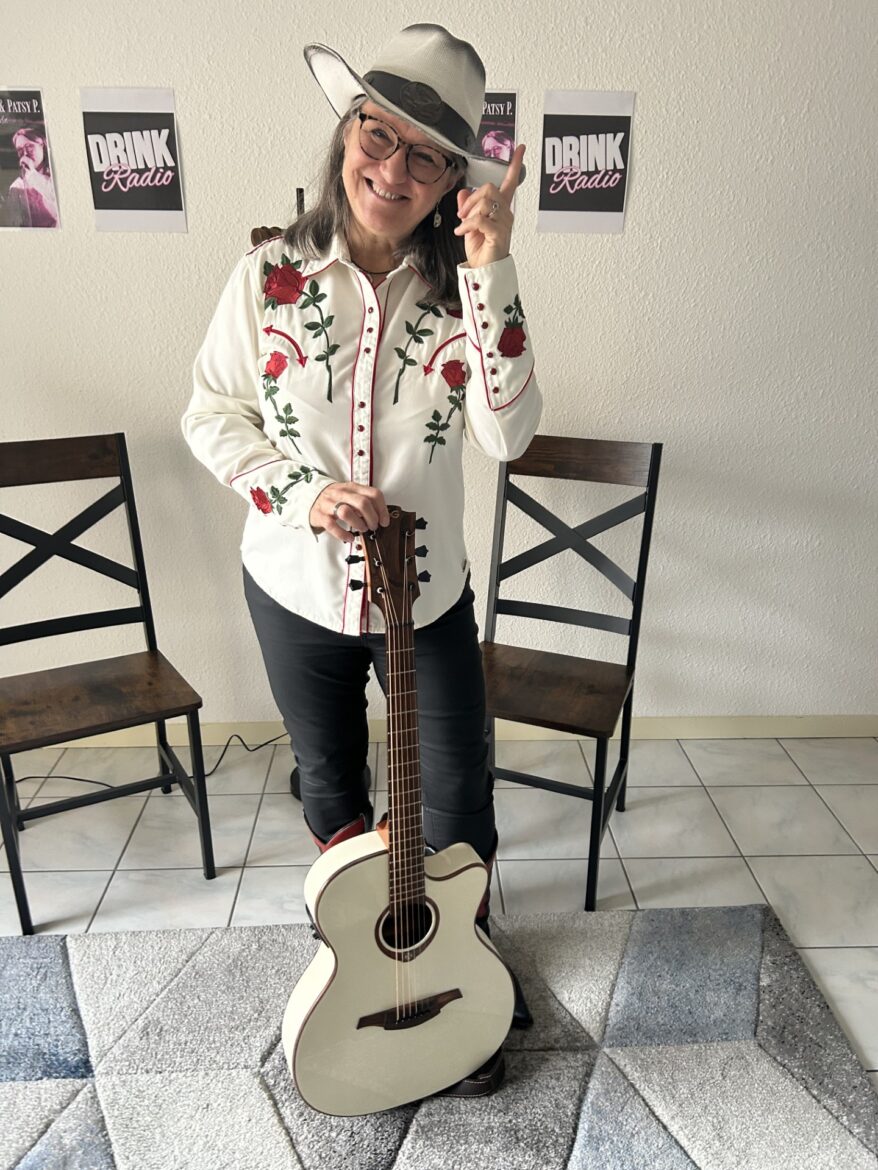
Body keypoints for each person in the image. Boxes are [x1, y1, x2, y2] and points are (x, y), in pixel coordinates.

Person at [182, 24, 541, 1027]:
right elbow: (212, 415)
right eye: (377, 135)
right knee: (331, 781)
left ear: (451, 181)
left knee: (457, 794)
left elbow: (507, 436)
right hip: (293, 588)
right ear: (347, 133)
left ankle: (458, 957)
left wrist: (493, 268)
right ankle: (359, 949)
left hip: (425, 597)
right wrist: (302, 493)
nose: (392, 169)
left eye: (426, 155)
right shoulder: (267, 278)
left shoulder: (467, 295)